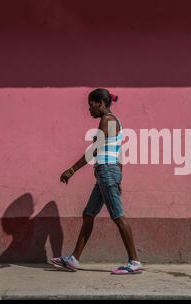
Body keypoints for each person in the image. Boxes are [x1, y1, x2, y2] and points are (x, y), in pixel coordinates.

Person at [51, 88, 142, 275]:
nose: (89, 109)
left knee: (118, 217)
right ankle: (74, 259)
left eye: (90, 105)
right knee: (88, 214)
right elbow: (115, 152)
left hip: (107, 173)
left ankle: (134, 262)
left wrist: (72, 170)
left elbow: (94, 149)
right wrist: (118, 179)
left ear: (100, 103)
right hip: (107, 173)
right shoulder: (114, 121)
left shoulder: (107, 120)